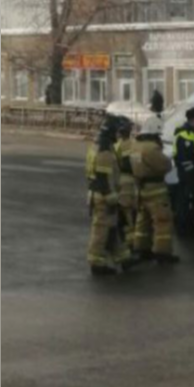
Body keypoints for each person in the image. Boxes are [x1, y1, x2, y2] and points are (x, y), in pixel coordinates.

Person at [85, 116, 131, 276]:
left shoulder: (98, 145)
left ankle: (123, 258)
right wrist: (111, 198)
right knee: (101, 231)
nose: (119, 135)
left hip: (99, 195)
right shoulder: (104, 150)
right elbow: (103, 179)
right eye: (117, 131)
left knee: (112, 228)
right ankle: (96, 263)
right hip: (103, 196)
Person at [131, 118, 180, 264]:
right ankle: (163, 253)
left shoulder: (136, 145)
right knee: (162, 222)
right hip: (156, 190)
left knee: (143, 221)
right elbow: (165, 165)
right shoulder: (151, 148)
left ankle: (141, 249)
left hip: (141, 188)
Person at [173, 107, 194, 237]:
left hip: (188, 175)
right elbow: (185, 160)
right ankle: (184, 229)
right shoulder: (185, 135)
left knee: (187, 201)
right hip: (188, 176)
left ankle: (188, 227)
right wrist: (192, 176)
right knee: (185, 202)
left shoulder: (191, 133)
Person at [114, 117, 138, 251]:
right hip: (133, 181)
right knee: (132, 215)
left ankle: (127, 242)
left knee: (124, 215)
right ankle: (133, 243)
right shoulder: (135, 144)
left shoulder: (116, 146)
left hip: (121, 182)